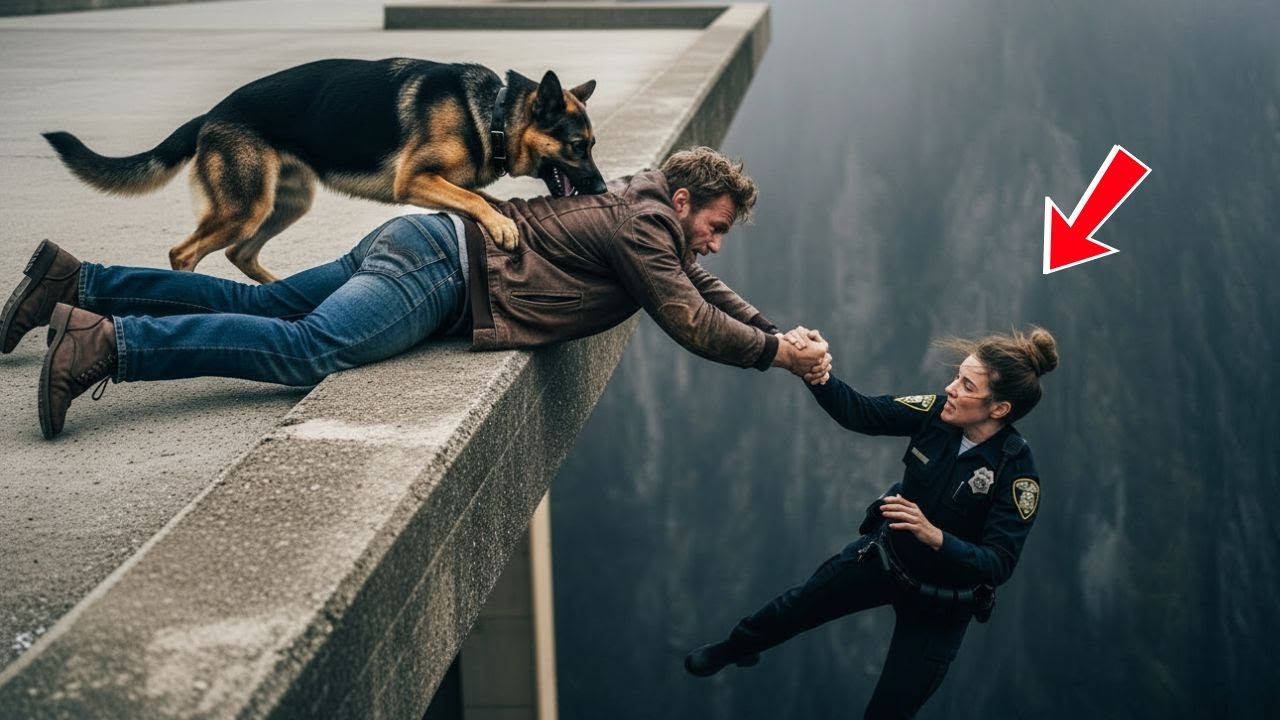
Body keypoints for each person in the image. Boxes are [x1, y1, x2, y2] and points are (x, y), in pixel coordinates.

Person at [0, 147, 832, 439]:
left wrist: (773, 328)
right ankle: (106, 344)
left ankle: (78, 283)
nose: (714, 243)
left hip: (425, 243)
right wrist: (774, 356)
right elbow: (686, 314)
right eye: (715, 224)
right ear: (685, 202)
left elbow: (699, 282)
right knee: (306, 349)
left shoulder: (642, 208)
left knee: (270, 308)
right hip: (439, 273)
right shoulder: (643, 225)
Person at [684, 326, 1059, 720]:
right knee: (795, 607)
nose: (951, 388)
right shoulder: (936, 412)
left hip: (941, 609)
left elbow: (998, 563)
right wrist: (819, 376)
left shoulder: (1017, 475)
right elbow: (861, 413)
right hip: (884, 560)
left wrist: (935, 536)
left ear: (999, 409)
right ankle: (734, 648)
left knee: (889, 712)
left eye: (966, 385)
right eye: (956, 375)